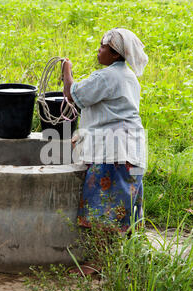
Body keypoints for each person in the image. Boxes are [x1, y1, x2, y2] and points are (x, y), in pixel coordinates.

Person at [62, 28, 148, 239]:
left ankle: (99, 264)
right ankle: (124, 259)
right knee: (125, 208)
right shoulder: (128, 77)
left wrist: (66, 70)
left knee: (102, 212)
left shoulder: (106, 77)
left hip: (113, 154)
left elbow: (72, 94)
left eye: (103, 47)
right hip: (132, 152)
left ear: (116, 54)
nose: (98, 51)